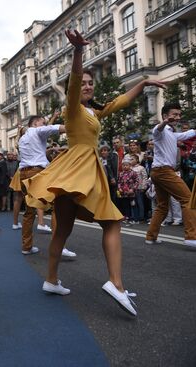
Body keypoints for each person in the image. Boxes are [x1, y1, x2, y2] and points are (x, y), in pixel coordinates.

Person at [23, 29, 166, 316]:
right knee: (112, 224)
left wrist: (145, 80)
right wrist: (77, 53)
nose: (87, 86)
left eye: (91, 83)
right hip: (80, 168)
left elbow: (120, 101)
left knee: (62, 229)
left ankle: (51, 280)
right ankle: (116, 284)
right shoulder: (73, 108)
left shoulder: (93, 112)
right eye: (84, 82)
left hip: (76, 171)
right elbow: (74, 83)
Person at [18, 115, 76, 258]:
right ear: (36, 123)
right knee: (58, 206)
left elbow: (37, 152)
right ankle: (59, 247)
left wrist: (52, 151)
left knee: (29, 211)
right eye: (42, 122)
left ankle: (26, 246)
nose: (44, 124)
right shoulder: (37, 131)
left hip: (24, 173)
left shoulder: (23, 138)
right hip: (38, 173)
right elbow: (58, 128)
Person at [146, 102, 196, 249]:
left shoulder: (173, 134)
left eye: (179, 114)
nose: (177, 117)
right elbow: (158, 129)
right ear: (165, 116)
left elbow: (189, 133)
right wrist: (164, 123)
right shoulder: (160, 131)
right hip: (163, 171)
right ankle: (191, 237)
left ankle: (151, 236)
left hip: (158, 172)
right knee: (187, 199)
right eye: (174, 114)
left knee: (162, 206)